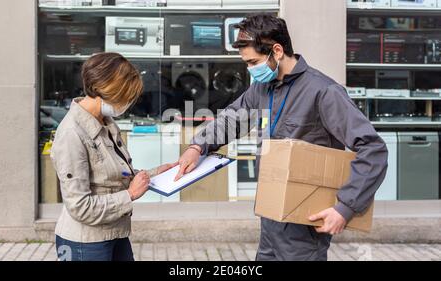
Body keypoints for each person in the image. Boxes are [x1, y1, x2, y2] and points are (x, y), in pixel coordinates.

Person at [174, 14, 388, 261]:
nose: (250, 69)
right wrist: (197, 146)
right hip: (270, 217)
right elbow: (232, 118)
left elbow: (373, 150)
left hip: (304, 224)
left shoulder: (324, 92)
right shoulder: (262, 88)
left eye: (253, 62)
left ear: (277, 51)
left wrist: (345, 208)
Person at [51, 52, 177, 261]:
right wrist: (130, 195)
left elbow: (113, 175)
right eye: (125, 95)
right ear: (103, 89)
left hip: (115, 233)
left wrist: (154, 175)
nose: (128, 102)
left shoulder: (104, 121)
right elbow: (80, 207)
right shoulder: (72, 134)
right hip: (86, 243)